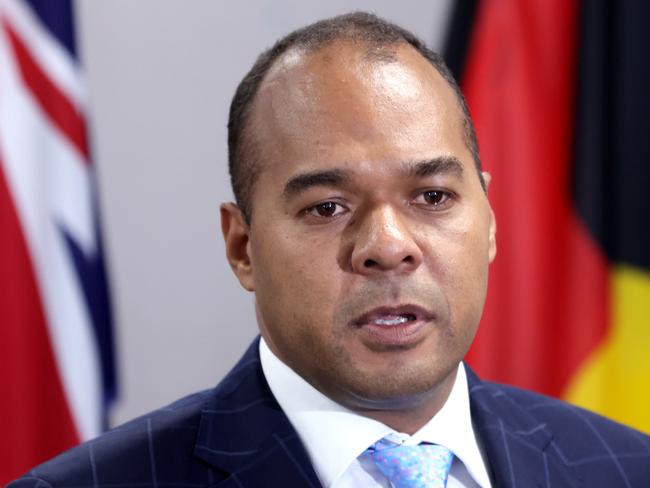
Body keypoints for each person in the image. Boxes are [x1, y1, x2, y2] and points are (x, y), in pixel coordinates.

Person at [10, 12, 650, 488]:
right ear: (242, 248)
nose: (389, 247)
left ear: (488, 220)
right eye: (327, 208)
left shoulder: (627, 469)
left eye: (431, 197)